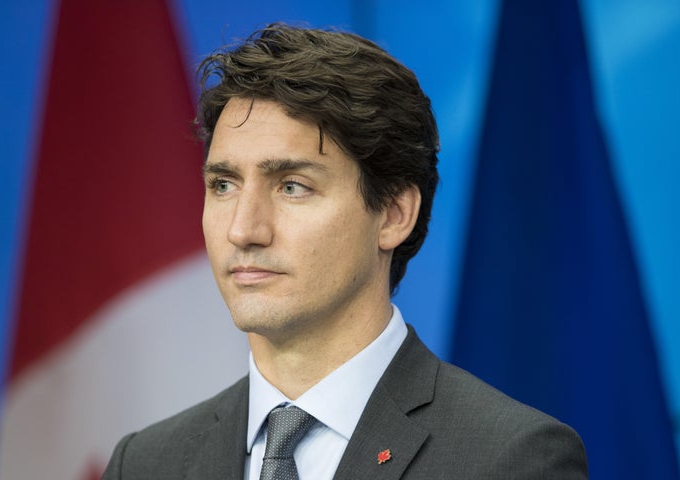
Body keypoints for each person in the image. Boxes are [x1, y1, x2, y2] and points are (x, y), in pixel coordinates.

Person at [102, 23, 588, 479]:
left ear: (395, 213)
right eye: (224, 184)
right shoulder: (145, 463)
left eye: (292, 186)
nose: (243, 230)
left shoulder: (510, 459)